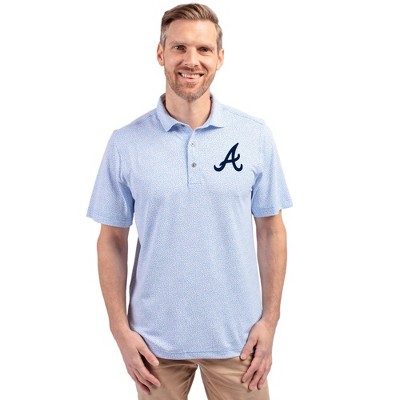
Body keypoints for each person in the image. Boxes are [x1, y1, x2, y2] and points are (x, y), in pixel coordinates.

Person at [87, 3, 292, 399]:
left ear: (220, 58)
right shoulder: (125, 143)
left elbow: (271, 231)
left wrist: (270, 321)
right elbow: (111, 239)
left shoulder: (254, 136)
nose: (191, 60)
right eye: (179, 47)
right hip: (153, 345)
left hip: (239, 341)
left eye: (203, 49)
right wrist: (119, 330)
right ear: (160, 53)